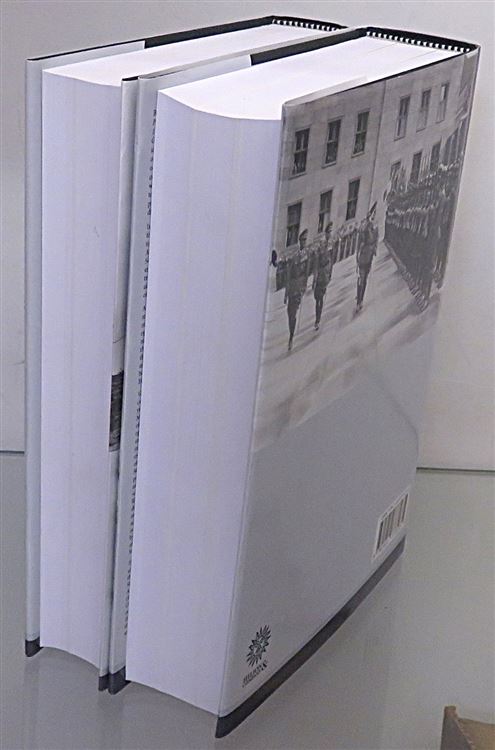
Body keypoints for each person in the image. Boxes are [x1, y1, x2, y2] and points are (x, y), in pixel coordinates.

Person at [284, 229, 310, 351]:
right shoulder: (294, 256)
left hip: (298, 287)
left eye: (305, 240)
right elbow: (289, 275)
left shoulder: (306, 255)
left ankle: (291, 337)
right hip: (291, 287)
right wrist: (285, 294)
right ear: (299, 241)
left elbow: (306, 272)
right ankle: (291, 332)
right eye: (302, 240)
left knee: (293, 313)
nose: (304, 242)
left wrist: (304, 286)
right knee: (289, 313)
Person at [356, 202, 378, 312]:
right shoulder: (364, 227)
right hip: (363, 256)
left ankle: (361, 299)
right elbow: (359, 242)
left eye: (374, 214)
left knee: (365, 279)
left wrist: (374, 250)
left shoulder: (375, 227)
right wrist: (357, 256)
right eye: (372, 214)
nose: (373, 216)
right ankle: (358, 300)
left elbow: (376, 240)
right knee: (361, 278)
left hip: (369, 257)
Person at [312, 222, 334, 330]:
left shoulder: (331, 244)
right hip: (320, 274)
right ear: (325, 233)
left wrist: (330, 273)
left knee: (320, 298)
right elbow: (316, 262)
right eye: (328, 232)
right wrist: (314, 279)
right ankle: (318, 318)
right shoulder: (321, 245)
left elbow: (332, 259)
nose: (329, 234)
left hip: (325, 275)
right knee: (317, 298)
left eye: (331, 232)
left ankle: (318, 320)